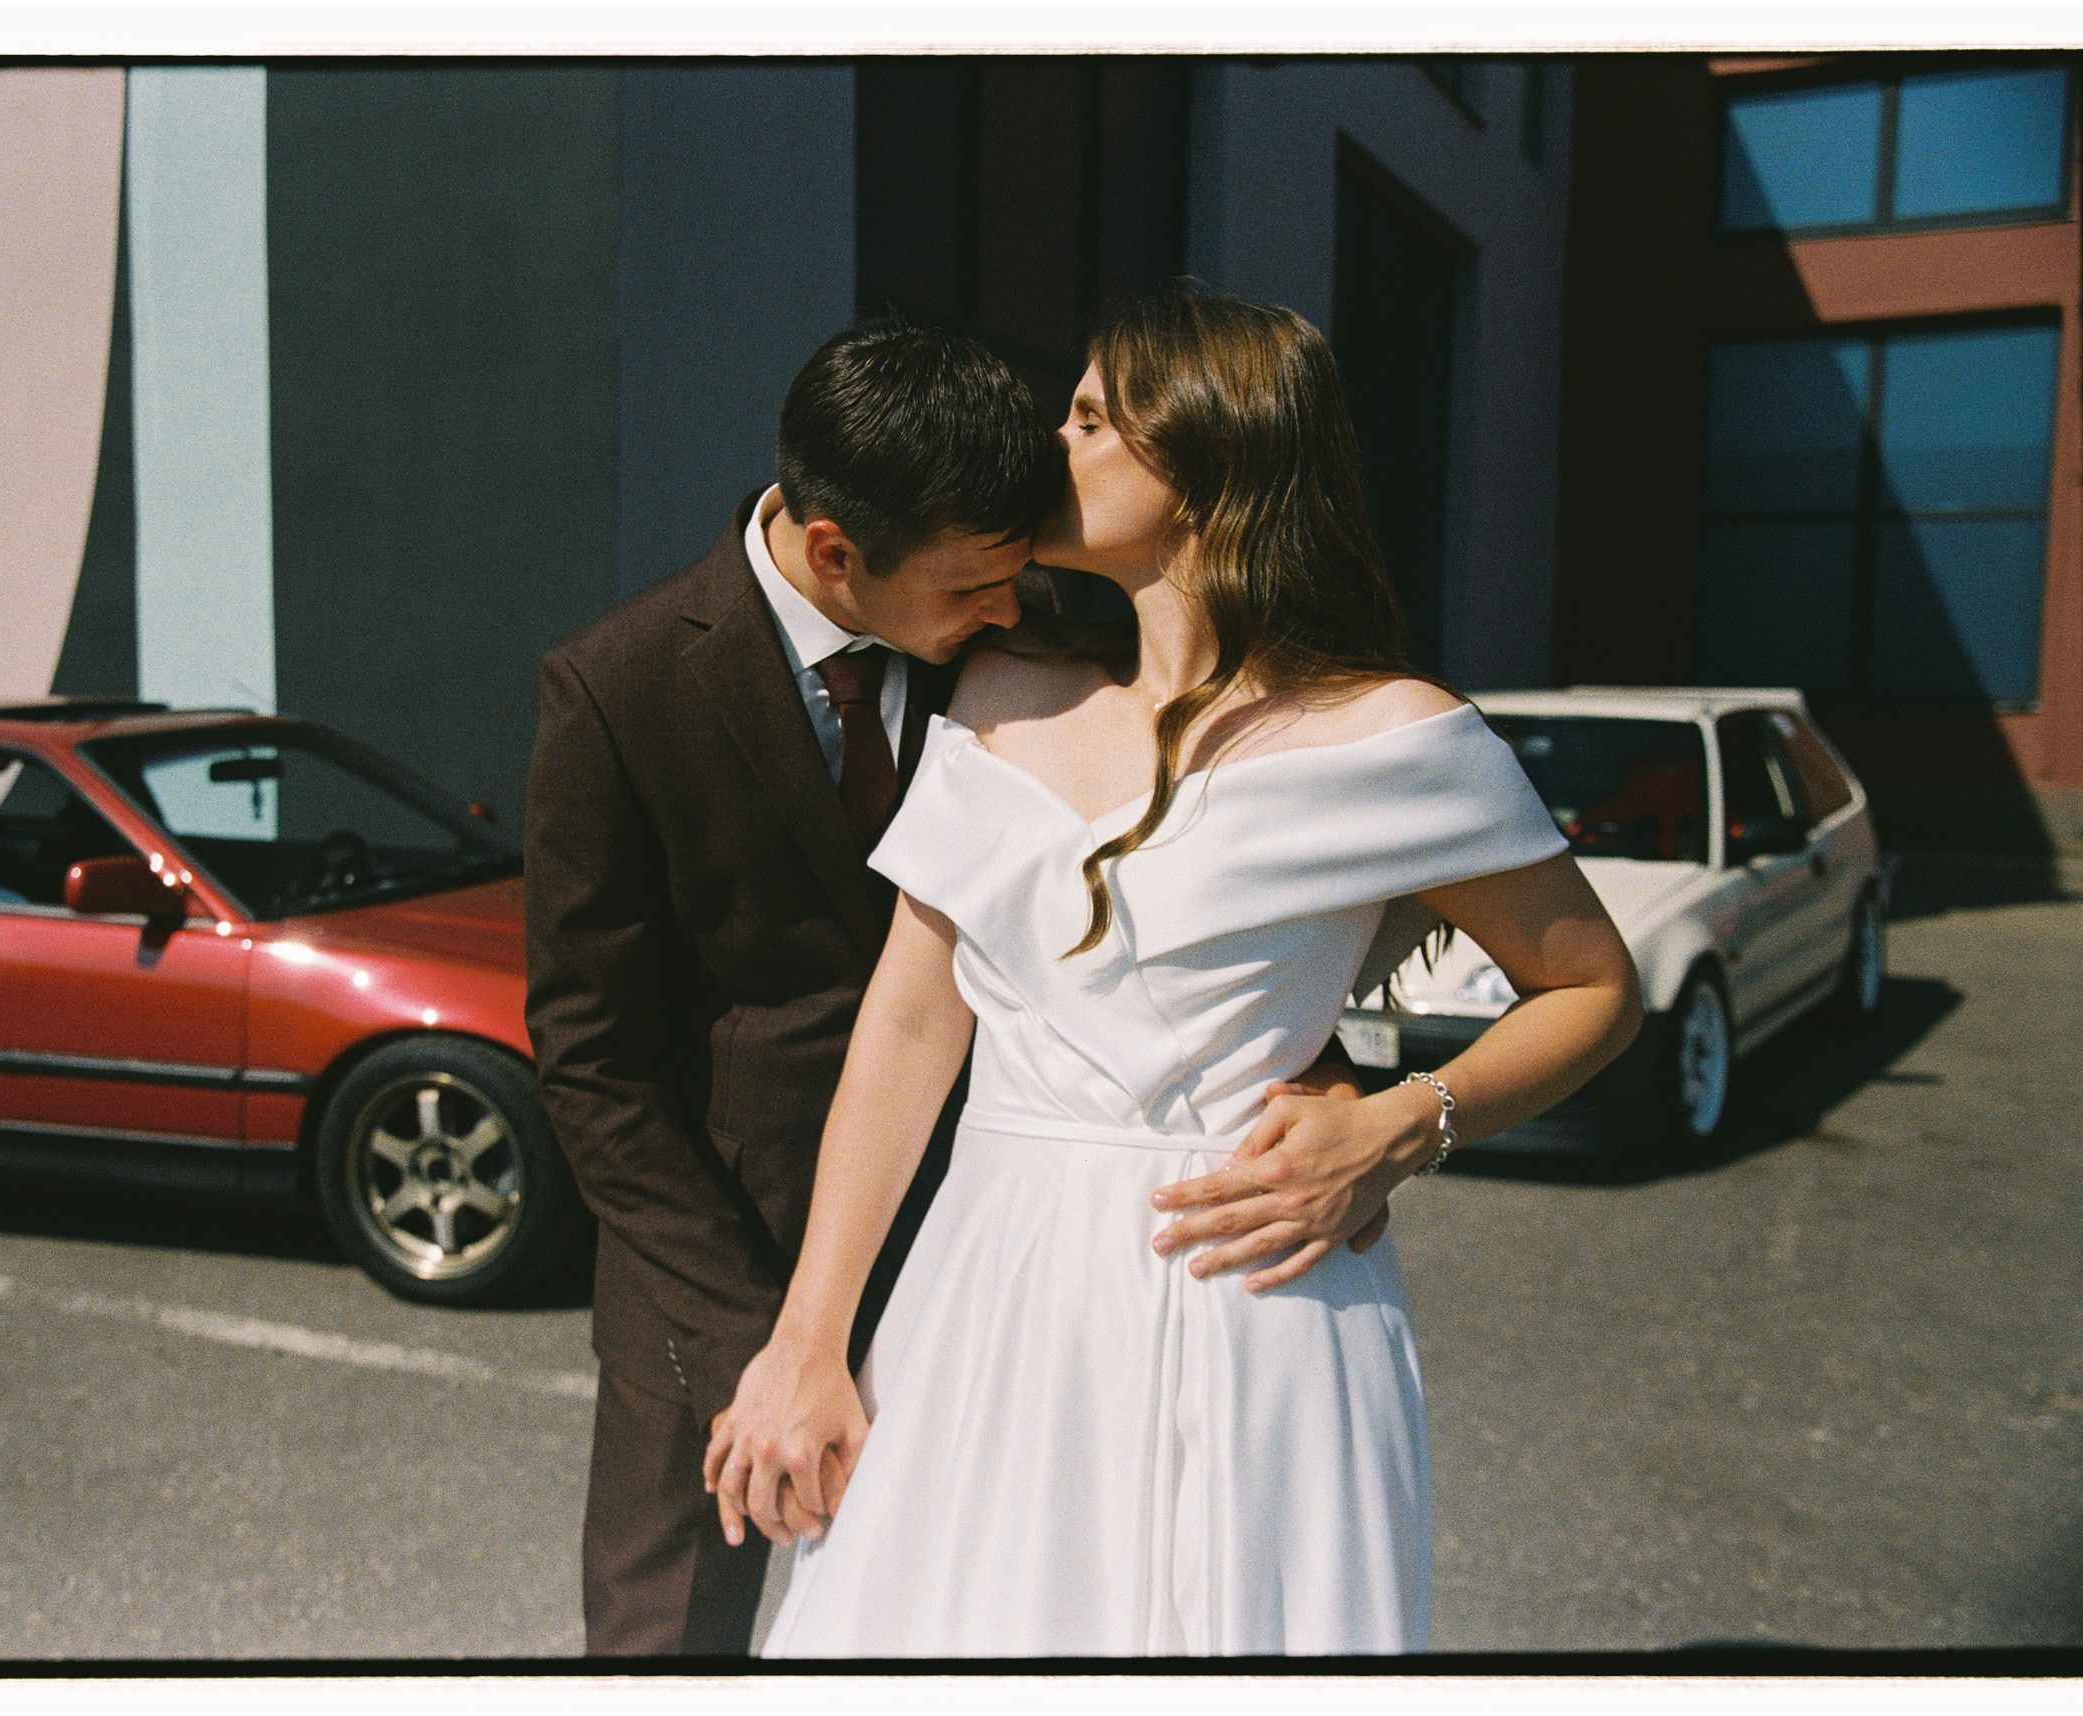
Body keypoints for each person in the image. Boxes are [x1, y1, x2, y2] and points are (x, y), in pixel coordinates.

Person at [702, 286, 1646, 1657]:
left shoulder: (1395, 735)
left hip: (1252, 1285)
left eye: (1090, 418)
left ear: (1207, 471)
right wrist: (811, 1338)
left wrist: (1400, 1125)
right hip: (993, 1288)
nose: (1049, 440)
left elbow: (1593, 988)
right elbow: (910, 1032)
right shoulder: (1001, 688)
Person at [521, 322, 1377, 1656]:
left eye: (1019, 576)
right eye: (977, 587)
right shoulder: (617, 686)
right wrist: (775, 1333)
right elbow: (595, 1066)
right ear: (834, 554)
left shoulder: (1043, 642)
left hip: (995, 1251)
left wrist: (1319, 1063)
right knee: (666, 1638)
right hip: (721, 1258)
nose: (1010, 609)